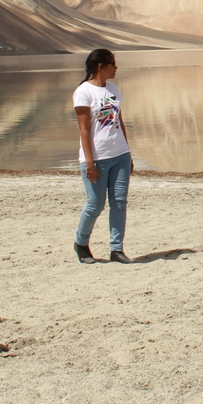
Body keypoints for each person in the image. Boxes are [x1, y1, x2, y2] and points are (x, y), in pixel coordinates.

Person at [73, 48, 134, 264]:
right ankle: (81, 243)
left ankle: (116, 249)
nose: (116, 69)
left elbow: (119, 122)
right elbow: (84, 130)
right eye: (112, 65)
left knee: (119, 202)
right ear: (101, 66)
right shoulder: (83, 92)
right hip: (97, 158)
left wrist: (128, 153)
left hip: (120, 155)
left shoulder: (114, 89)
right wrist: (89, 162)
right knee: (95, 204)